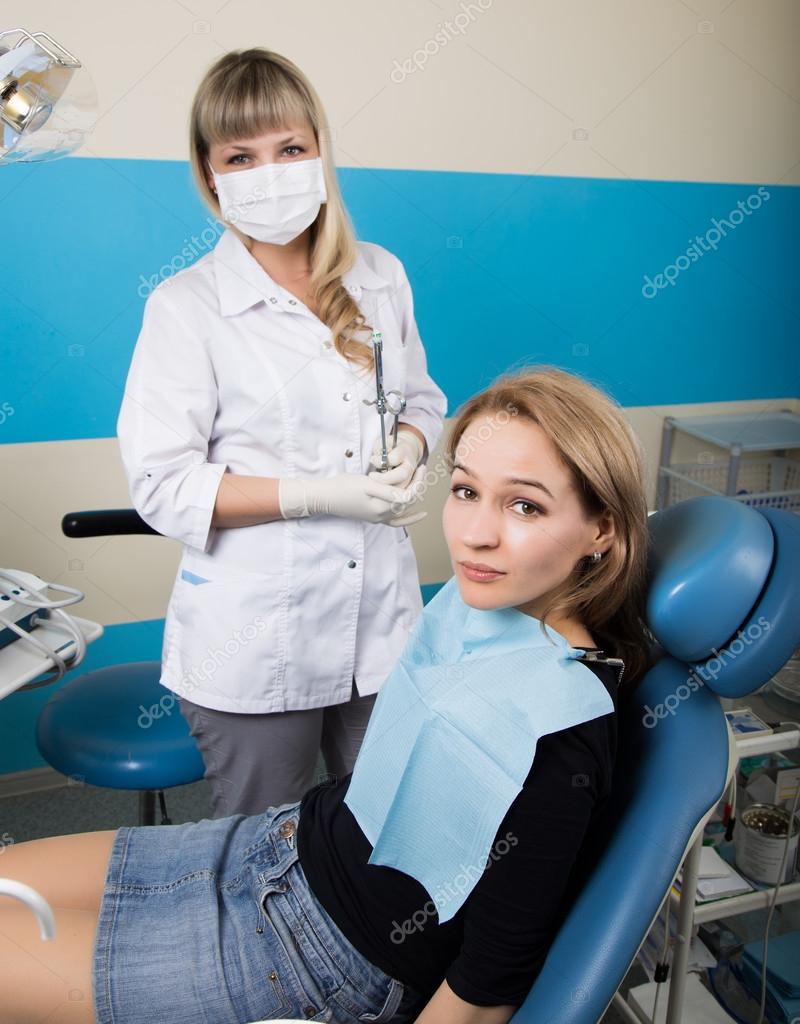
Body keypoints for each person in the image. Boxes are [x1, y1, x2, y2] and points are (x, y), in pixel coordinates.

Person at [1, 367, 653, 1024]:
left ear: (602, 529)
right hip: (284, 843)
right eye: (465, 490)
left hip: (317, 957)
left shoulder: (560, 731)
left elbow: (488, 987)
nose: (475, 534)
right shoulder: (485, 607)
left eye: (525, 506)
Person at [116, 47, 447, 816]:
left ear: (320, 152)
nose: (271, 171)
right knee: (264, 852)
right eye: (242, 155)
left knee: (391, 831)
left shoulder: (379, 275)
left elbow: (423, 399)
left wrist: (410, 447)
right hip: (254, 640)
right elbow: (164, 486)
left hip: (381, 624)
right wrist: (319, 494)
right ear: (211, 175)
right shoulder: (186, 307)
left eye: (290, 148)